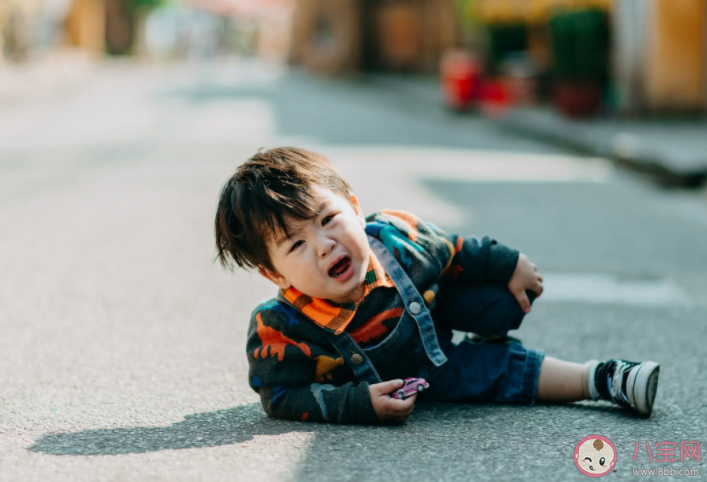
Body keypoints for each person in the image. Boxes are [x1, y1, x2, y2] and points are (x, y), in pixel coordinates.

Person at [213, 147, 660, 424]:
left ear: (353, 206)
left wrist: (508, 264)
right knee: (503, 370)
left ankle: (491, 325)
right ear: (275, 274)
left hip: (432, 315)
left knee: (503, 299)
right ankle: (602, 378)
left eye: (329, 220)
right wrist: (358, 404)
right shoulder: (280, 329)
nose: (325, 245)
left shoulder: (394, 237)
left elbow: (452, 248)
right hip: (423, 377)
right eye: (296, 245)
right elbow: (282, 396)